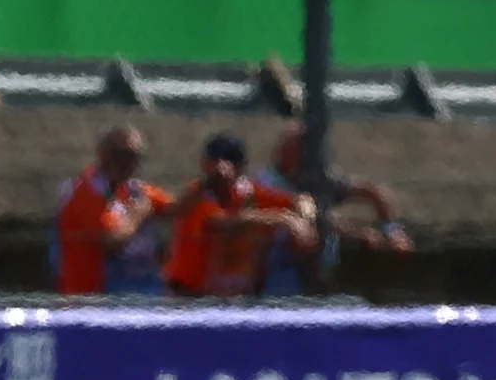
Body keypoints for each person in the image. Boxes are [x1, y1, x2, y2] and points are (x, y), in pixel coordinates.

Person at [160, 132, 315, 300]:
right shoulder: (196, 195)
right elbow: (225, 224)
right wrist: (284, 219)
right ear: (205, 164)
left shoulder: (246, 191)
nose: (222, 170)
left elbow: (301, 200)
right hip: (189, 297)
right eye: (215, 161)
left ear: (241, 167)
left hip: (236, 297)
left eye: (231, 161)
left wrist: (304, 220)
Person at [264, 124, 411, 294]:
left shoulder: (317, 178)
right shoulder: (268, 184)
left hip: (321, 275)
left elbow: (373, 192)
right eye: (298, 150)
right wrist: (357, 234)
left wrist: (392, 231)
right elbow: (313, 220)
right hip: (281, 274)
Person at [49, 123, 169, 299]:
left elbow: (173, 207)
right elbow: (112, 240)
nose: (129, 163)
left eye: (135, 157)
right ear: (103, 154)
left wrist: (204, 187)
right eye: (122, 155)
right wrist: (137, 213)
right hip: (83, 298)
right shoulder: (85, 191)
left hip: (115, 293)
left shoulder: (127, 187)